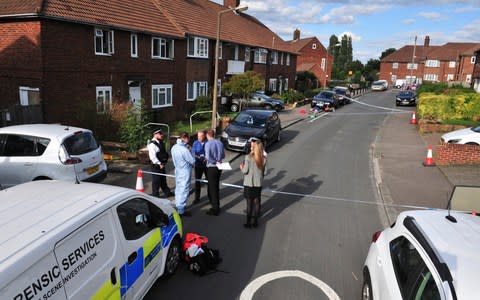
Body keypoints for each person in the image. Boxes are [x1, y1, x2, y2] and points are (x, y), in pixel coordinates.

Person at [240, 137, 267, 228]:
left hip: (249, 184)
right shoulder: (263, 158)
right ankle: (255, 222)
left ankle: (248, 223)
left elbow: (245, 171)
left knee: (249, 204)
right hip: (258, 184)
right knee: (256, 202)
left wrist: (241, 167)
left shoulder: (248, 157)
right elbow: (265, 172)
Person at [171, 132, 195, 217]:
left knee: (178, 188)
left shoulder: (174, 147)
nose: (189, 140)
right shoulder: (184, 150)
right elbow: (192, 161)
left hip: (177, 169)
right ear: (185, 138)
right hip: (185, 171)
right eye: (188, 138)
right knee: (184, 190)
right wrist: (191, 151)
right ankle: (181, 210)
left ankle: (177, 205)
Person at [148, 128, 174, 198]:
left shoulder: (160, 142)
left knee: (163, 179)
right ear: (155, 134)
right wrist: (159, 163)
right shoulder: (152, 145)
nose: (161, 135)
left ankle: (167, 192)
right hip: (156, 166)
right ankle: (155, 195)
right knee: (156, 181)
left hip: (162, 164)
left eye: (161, 133)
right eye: (160, 133)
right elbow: (152, 157)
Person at [204, 129, 225, 216]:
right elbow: (223, 155)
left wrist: (214, 161)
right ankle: (215, 204)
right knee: (215, 187)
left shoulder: (208, 144)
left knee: (212, 189)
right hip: (219, 167)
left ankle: (215, 208)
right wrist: (219, 160)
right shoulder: (220, 142)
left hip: (212, 167)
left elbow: (208, 157)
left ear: (207, 135)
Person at [191, 130, 207, 204]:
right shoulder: (195, 143)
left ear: (205, 136)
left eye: (200, 136)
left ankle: (211, 198)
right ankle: (197, 198)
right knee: (197, 182)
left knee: (209, 182)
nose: (199, 137)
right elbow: (193, 153)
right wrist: (198, 157)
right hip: (198, 165)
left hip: (207, 165)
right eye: (198, 136)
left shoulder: (208, 142)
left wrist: (206, 158)